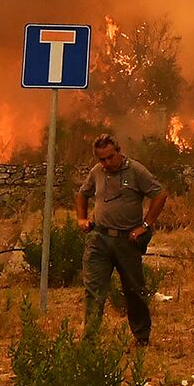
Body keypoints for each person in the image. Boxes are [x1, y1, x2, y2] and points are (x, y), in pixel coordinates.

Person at [73, 134, 167, 345]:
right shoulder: (97, 172)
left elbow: (160, 194)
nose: (106, 163)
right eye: (101, 159)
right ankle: (89, 341)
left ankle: (141, 337)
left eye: (109, 157)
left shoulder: (136, 171)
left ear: (118, 151)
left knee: (134, 291)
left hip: (126, 242)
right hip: (99, 239)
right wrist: (81, 218)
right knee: (93, 291)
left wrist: (145, 225)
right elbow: (82, 193)